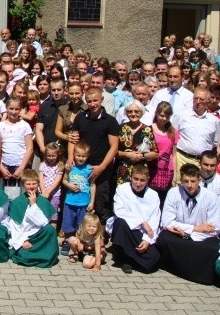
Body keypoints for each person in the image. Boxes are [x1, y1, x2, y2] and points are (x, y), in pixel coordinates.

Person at [156, 163, 220, 285]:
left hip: (203, 237)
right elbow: (166, 222)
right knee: (164, 238)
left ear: (199, 180)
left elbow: (215, 227)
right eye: (186, 181)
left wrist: (189, 233)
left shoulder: (211, 197)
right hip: (180, 233)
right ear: (181, 180)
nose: (189, 185)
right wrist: (194, 228)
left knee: (214, 248)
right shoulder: (173, 193)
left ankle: (200, 276)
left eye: (193, 181)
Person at [69, 87, 119, 225]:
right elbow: (73, 139)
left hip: (101, 168)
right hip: (82, 167)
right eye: (89, 101)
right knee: (80, 199)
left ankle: (101, 234)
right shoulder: (80, 117)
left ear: (101, 99)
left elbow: (114, 147)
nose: (92, 104)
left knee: (100, 203)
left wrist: (101, 167)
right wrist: (70, 158)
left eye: (95, 100)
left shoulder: (110, 121)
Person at [106, 164, 161, 274]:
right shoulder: (122, 189)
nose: (138, 183)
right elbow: (119, 210)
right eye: (135, 179)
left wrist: (147, 240)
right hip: (126, 228)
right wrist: (141, 222)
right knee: (120, 223)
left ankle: (133, 260)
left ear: (147, 180)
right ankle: (123, 259)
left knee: (154, 258)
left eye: (142, 180)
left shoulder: (153, 195)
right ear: (130, 177)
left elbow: (155, 218)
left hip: (143, 232)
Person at [7, 169, 59, 268]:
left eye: (34, 184)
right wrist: (23, 241)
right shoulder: (17, 203)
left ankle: (45, 256)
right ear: (23, 185)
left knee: (50, 229)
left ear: (38, 184)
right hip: (24, 236)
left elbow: (43, 223)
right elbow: (15, 227)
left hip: (38, 236)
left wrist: (33, 204)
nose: (31, 186)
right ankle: (34, 255)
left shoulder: (43, 201)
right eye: (28, 184)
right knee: (23, 255)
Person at [172, 87, 220, 175]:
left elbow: (214, 143)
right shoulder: (181, 115)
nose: (197, 102)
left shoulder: (214, 121)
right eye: (195, 98)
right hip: (182, 159)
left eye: (201, 99)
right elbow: (172, 137)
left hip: (203, 164)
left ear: (207, 101)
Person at [60, 141, 95, 255]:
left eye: (83, 156)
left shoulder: (89, 169)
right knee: (68, 224)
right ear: (74, 154)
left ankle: (80, 244)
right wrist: (69, 185)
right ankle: (67, 242)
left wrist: (92, 201)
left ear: (88, 156)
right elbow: (64, 180)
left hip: (83, 202)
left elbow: (93, 185)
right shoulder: (70, 167)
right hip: (70, 201)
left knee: (81, 226)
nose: (80, 158)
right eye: (78, 155)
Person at [115, 100, 158, 185]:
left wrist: (142, 156)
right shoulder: (120, 128)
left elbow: (155, 153)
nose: (133, 114)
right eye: (130, 111)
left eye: (136, 111)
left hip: (140, 173)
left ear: (141, 112)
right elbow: (113, 151)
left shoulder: (147, 130)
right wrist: (127, 154)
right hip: (122, 170)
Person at [0, 97, 33, 188]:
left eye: (17, 109)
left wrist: (21, 168)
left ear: (20, 110)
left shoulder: (25, 125)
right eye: (11, 108)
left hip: (20, 165)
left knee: (20, 195)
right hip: (5, 166)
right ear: (6, 108)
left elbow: (30, 148)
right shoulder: (0, 126)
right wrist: (0, 167)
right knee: (5, 195)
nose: (14, 112)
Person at [149, 101, 179, 205]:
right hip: (152, 170)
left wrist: (175, 175)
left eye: (167, 116)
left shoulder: (173, 131)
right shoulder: (149, 129)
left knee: (163, 201)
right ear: (156, 113)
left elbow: (173, 154)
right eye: (162, 115)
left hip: (167, 171)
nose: (164, 119)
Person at [199, 150, 220, 237]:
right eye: (206, 164)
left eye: (212, 165)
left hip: (214, 222)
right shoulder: (192, 179)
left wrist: (207, 222)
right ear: (200, 163)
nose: (209, 168)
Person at [38, 142, 64, 226]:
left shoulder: (59, 166)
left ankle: (53, 230)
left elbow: (57, 181)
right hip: (43, 192)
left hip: (54, 194)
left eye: (53, 156)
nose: (51, 158)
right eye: (49, 155)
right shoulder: (42, 165)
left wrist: (48, 192)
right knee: (42, 212)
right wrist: (43, 191)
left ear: (57, 155)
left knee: (53, 213)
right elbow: (41, 179)